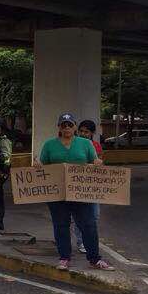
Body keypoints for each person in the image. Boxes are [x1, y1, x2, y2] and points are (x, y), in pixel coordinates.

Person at [38, 113, 113, 271]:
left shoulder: (85, 144)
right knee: (61, 226)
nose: (66, 127)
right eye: (63, 124)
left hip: (80, 193)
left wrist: (98, 163)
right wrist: (37, 166)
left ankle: (94, 259)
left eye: (69, 124)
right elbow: (43, 165)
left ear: (74, 127)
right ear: (59, 127)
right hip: (57, 194)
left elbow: (94, 161)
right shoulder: (49, 145)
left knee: (89, 225)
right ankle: (64, 258)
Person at [72, 119, 103, 254]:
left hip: (92, 186)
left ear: (92, 133)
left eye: (87, 132)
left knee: (94, 215)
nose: (84, 134)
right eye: (82, 131)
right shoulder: (73, 144)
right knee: (79, 216)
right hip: (77, 185)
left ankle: (89, 240)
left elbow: (101, 165)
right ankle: (81, 242)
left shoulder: (96, 146)